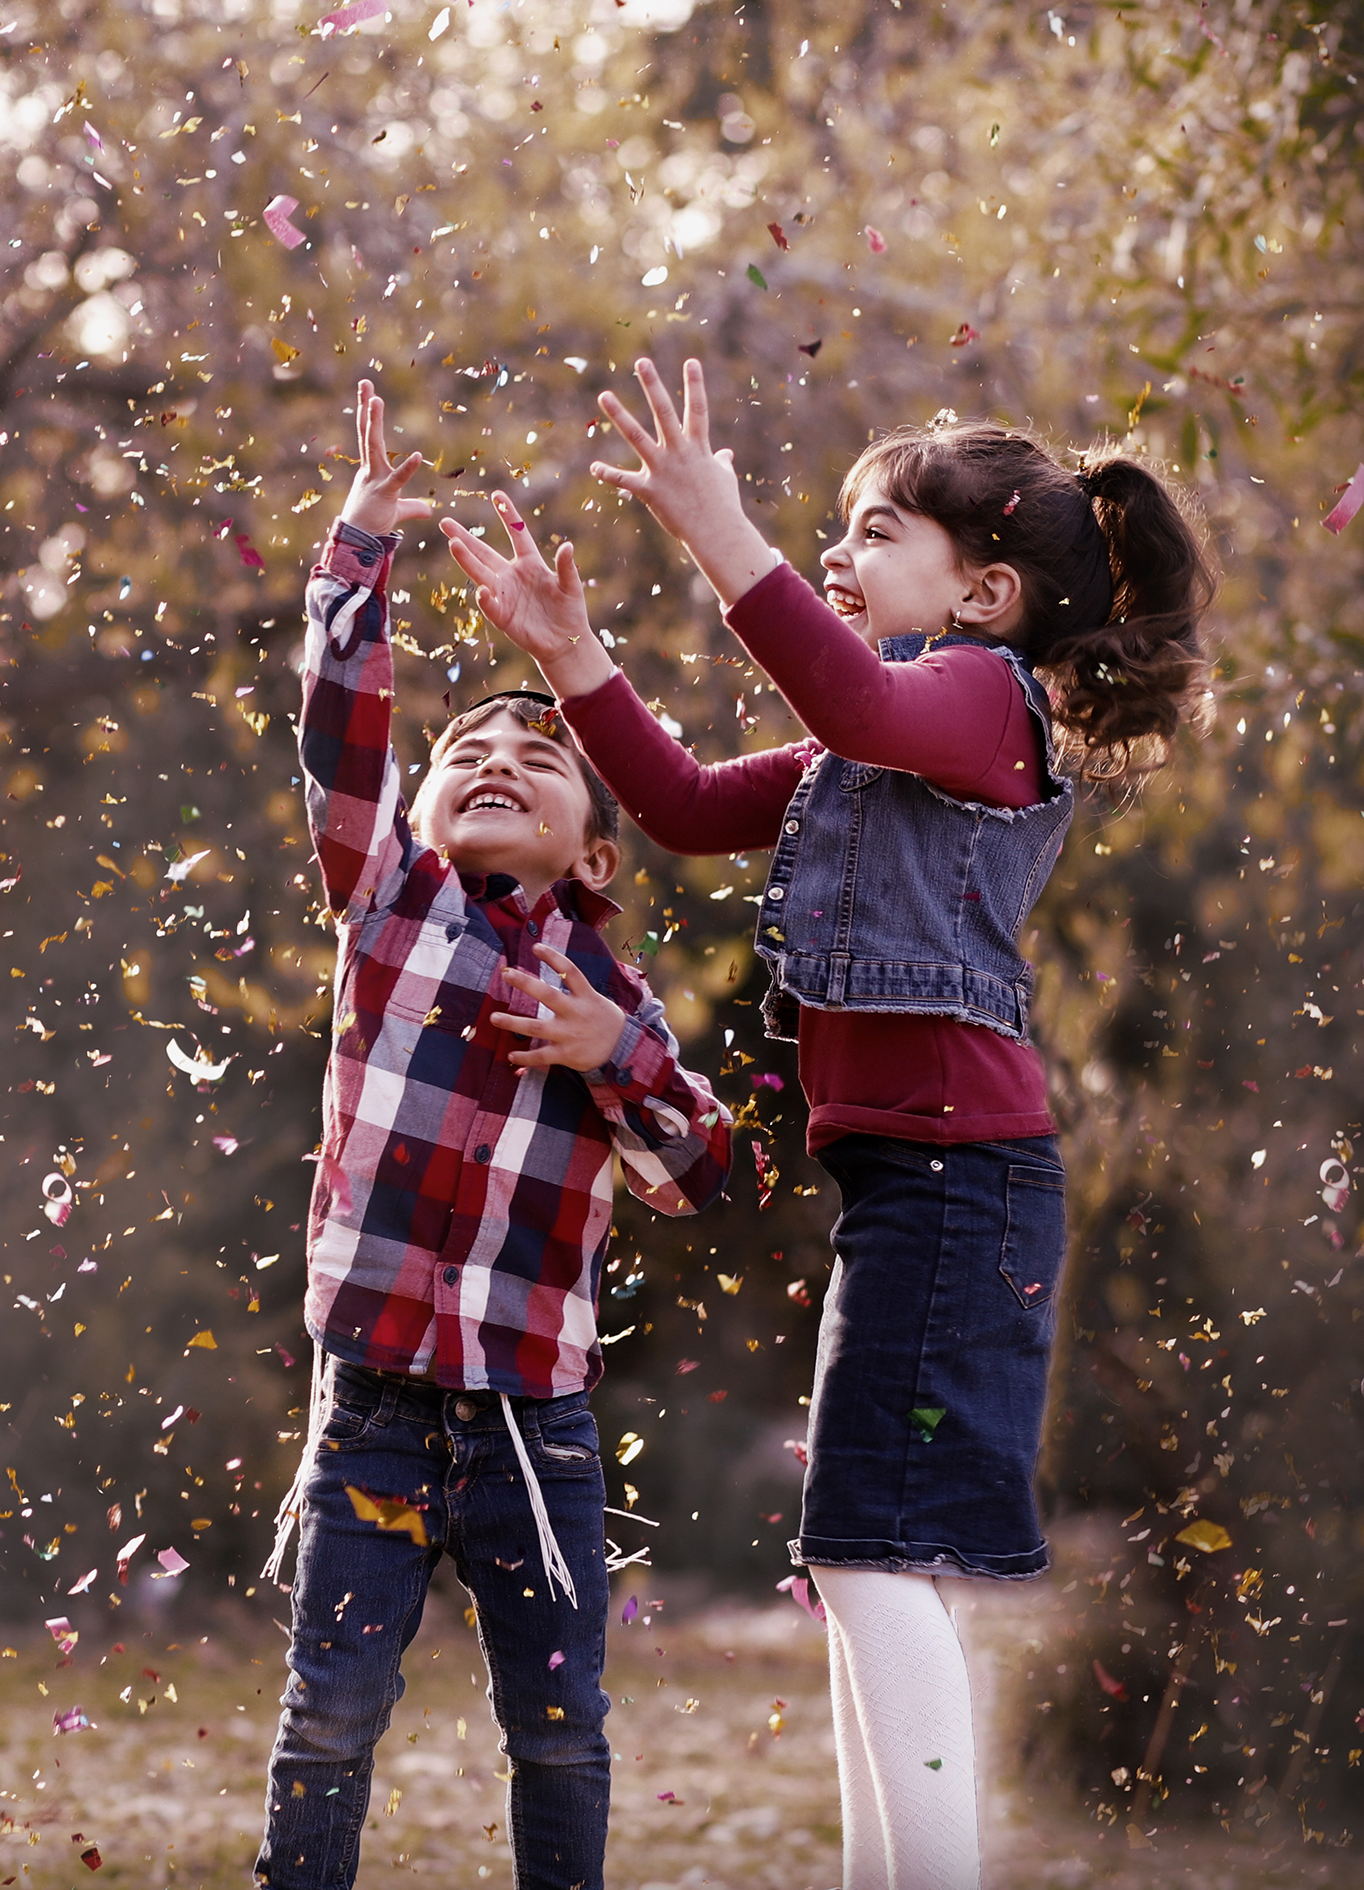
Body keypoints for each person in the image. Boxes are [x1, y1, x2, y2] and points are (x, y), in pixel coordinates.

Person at [441, 359, 1215, 1890]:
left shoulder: (984, 702)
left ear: (986, 593)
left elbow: (853, 692)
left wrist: (720, 530)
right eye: (837, 531)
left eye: (874, 532)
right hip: (913, 1182)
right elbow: (677, 803)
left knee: (871, 1557)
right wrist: (577, 653)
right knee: (858, 1556)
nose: (838, 553)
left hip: (960, 1176)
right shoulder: (873, 750)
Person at [255, 381, 736, 1890]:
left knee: (561, 1732)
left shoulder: (609, 995)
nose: (495, 763)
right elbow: (343, 744)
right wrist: (357, 549)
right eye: (466, 753)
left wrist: (616, 1058)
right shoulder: (387, 905)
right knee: (330, 1717)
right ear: (422, 812)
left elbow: (700, 1171)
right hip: (376, 1400)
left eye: (539, 759)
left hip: (537, 1416)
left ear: (595, 850)